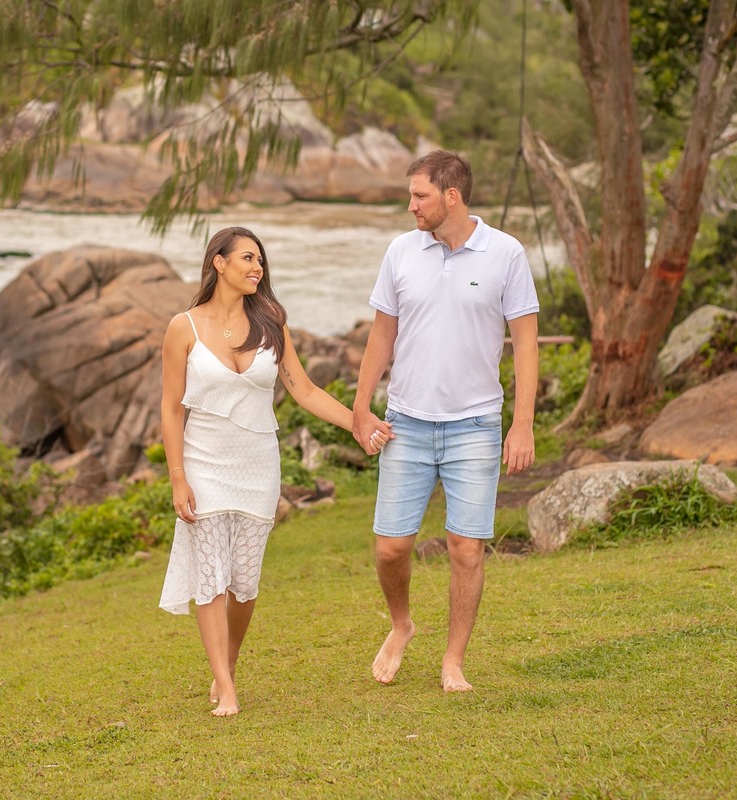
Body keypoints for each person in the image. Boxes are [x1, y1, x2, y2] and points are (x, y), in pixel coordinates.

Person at [158, 226, 393, 717]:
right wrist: (177, 477)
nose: (256, 267)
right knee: (211, 576)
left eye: (260, 260)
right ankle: (225, 684)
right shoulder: (184, 327)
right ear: (218, 262)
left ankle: (229, 662)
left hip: (257, 463)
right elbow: (171, 408)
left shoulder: (271, 323)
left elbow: (304, 391)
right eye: (246, 257)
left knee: (244, 582)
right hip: (203, 464)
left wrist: (358, 422)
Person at [352, 150, 540, 692]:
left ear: (451, 196)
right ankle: (401, 624)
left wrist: (521, 423)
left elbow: (525, 343)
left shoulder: (505, 253)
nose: (410, 205)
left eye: (419, 196)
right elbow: (381, 334)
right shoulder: (400, 252)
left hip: (476, 425)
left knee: (466, 548)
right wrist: (361, 409)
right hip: (405, 422)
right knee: (391, 547)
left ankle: (453, 660)